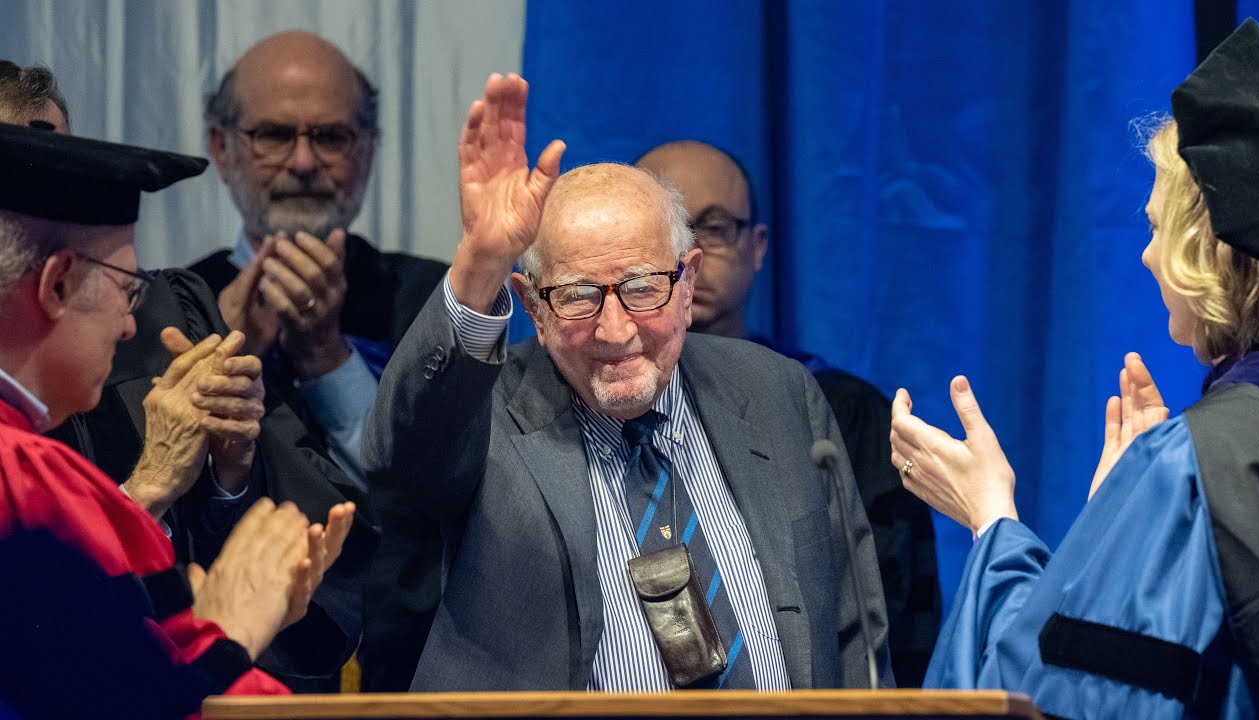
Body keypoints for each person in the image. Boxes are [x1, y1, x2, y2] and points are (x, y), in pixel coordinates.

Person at [365, 73, 890, 691]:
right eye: (578, 297)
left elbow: (856, 636)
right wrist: (481, 260)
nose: (616, 332)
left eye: (643, 288)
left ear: (688, 280)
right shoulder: (483, 414)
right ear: (531, 305)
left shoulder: (779, 392)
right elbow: (403, 456)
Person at [890, 19, 1259, 718]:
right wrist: (1123, 535)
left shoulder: (1197, 469)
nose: (1147, 257)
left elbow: (1045, 697)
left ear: (1212, 253)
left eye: (1158, 228)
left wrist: (992, 520)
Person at [0, 61, 377, 692]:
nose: (69, 194)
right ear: (57, 279)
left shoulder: (169, 313)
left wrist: (231, 469)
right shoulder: (21, 465)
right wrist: (148, 489)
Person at [191, 35, 449, 689]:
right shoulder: (174, 304)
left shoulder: (433, 303)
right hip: (223, 671)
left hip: (410, 666)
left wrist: (324, 354)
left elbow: (436, 500)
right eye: (274, 135)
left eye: (330, 137)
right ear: (221, 148)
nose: (303, 162)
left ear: (365, 151)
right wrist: (229, 349)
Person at [636, 140, 941, 686]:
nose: (688, 255)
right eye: (666, 230)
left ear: (757, 246)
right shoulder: (581, 411)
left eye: (713, 227)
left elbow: (890, 621)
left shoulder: (838, 413)